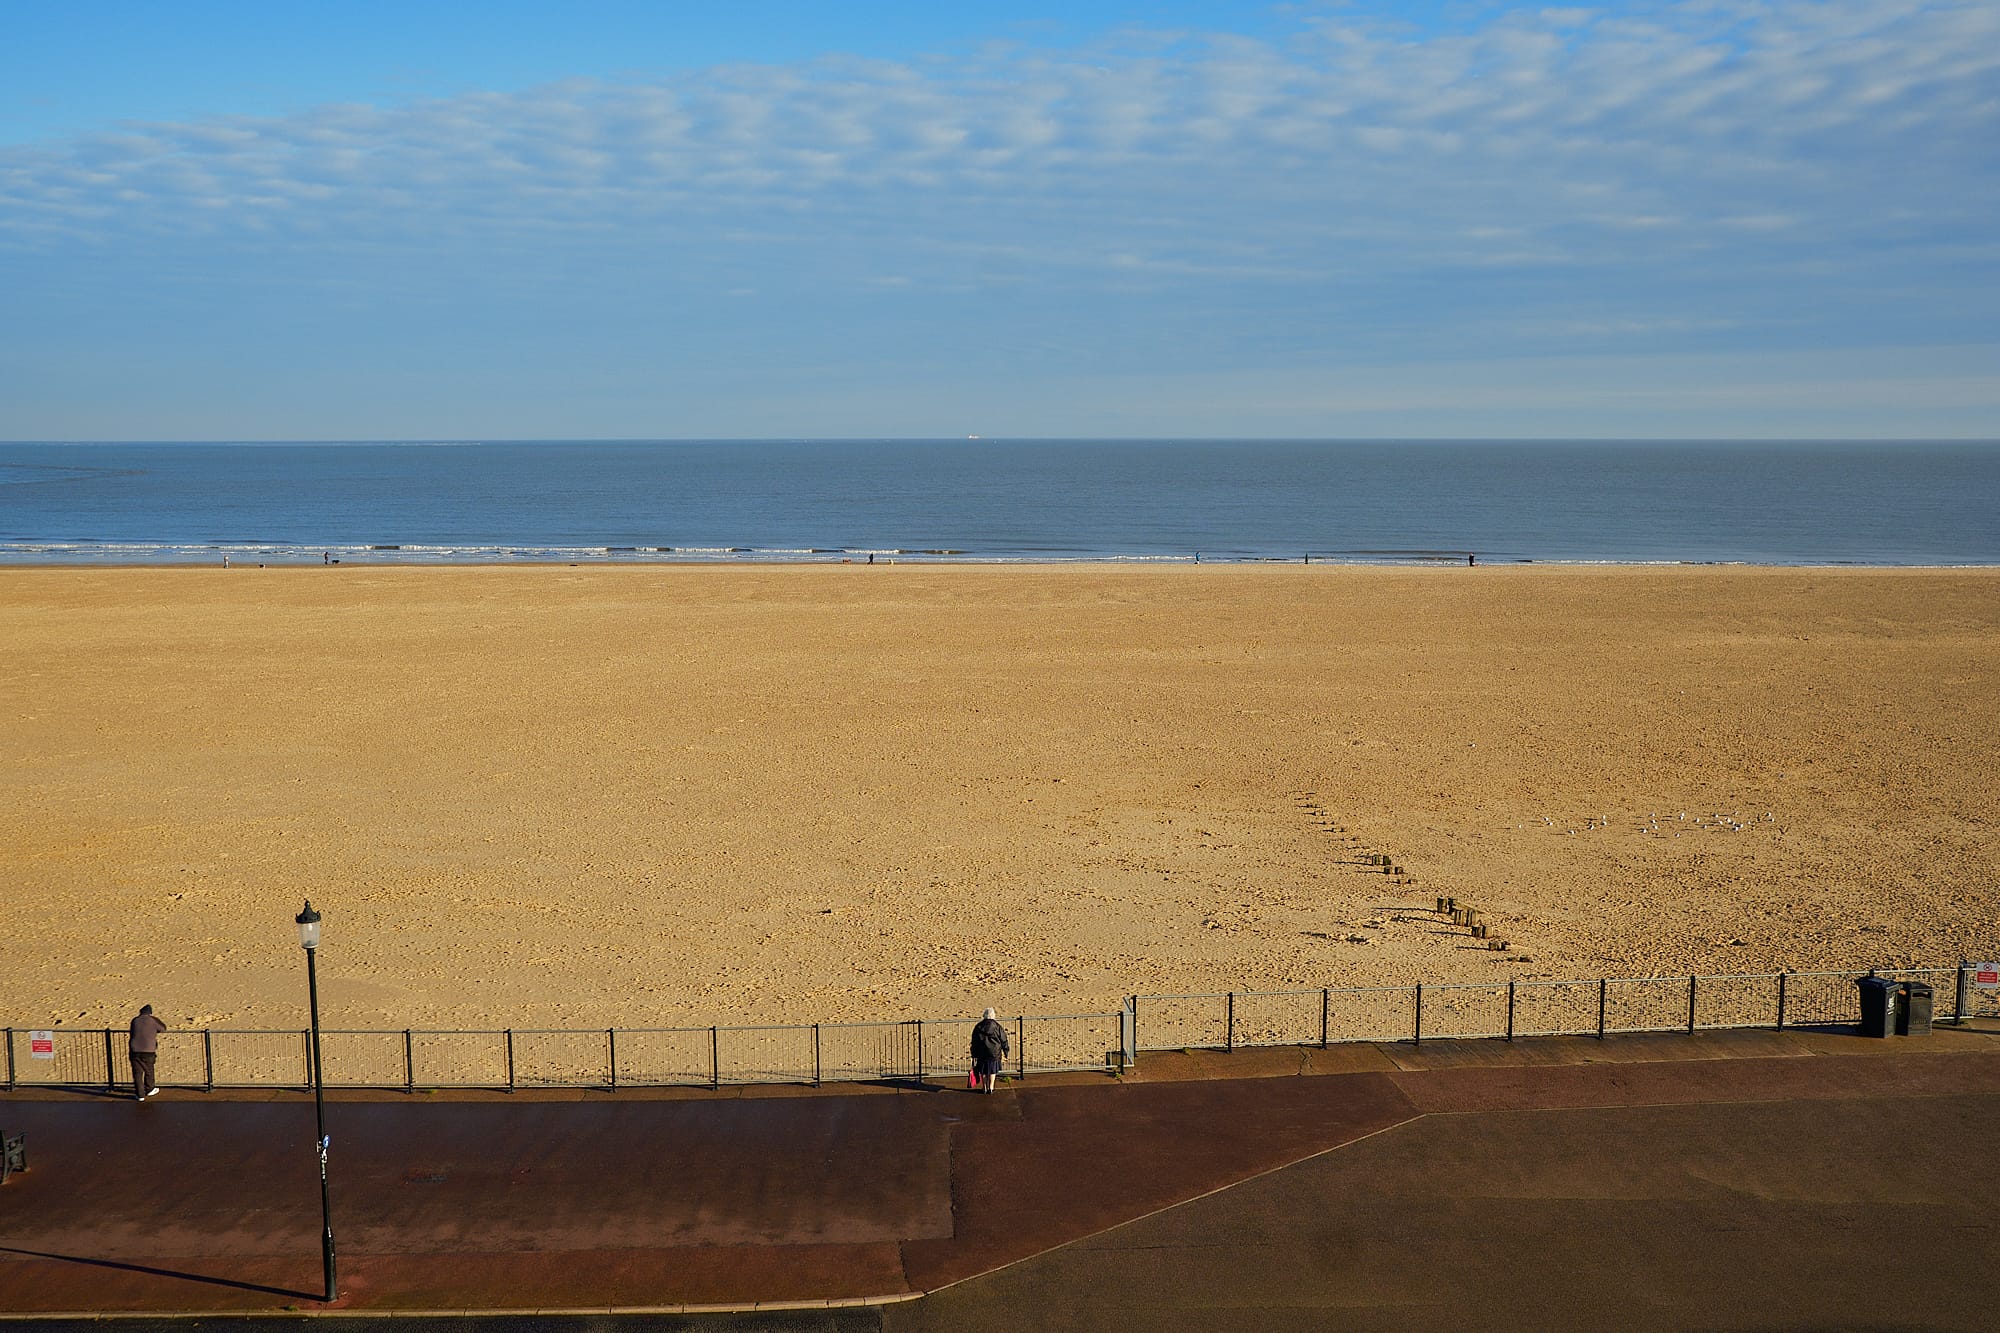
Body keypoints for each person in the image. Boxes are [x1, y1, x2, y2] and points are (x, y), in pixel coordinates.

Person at [129, 1004, 166, 1100]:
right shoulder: (152, 1020)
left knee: (137, 1073)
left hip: (134, 1049)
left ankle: (140, 1094)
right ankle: (149, 1089)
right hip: (148, 1049)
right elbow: (163, 1028)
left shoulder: (135, 1020)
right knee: (149, 1070)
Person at [970, 1008, 1010, 1093]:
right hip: (994, 1052)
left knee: (983, 1071)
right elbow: (1003, 1039)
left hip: (982, 1052)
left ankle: (984, 1087)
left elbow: (974, 1041)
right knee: (992, 1070)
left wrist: (973, 1054)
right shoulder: (997, 1026)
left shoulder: (978, 1026)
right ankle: (991, 1087)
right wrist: (1006, 1050)